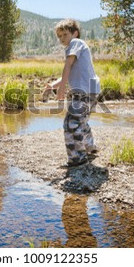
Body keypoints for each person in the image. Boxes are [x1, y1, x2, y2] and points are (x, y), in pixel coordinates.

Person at [46, 19, 100, 167]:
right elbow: (69, 73)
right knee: (81, 120)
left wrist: (62, 88)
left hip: (83, 91)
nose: (62, 38)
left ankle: (77, 157)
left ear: (75, 33)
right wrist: (53, 85)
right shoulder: (78, 47)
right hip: (92, 90)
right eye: (59, 36)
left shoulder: (76, 43)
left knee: (71, 123)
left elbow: (67, 66)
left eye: (65, 34)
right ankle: (89, 147)